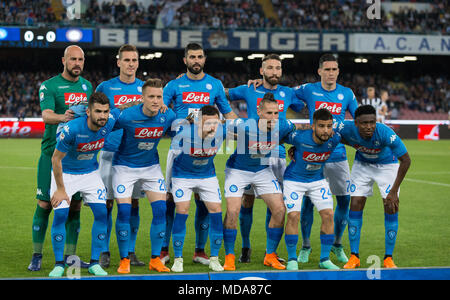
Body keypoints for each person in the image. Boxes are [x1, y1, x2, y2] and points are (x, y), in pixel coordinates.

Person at [161, 42, 237, 266]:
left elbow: (229, 113)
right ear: (185, 60)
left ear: (204, 59)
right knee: (170, 201)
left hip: (205, 151)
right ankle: (165, 249)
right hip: (178, 150)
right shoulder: (174, 85)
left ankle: (200, 251)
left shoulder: (214, 85)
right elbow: (163, 113)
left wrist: (248, 130)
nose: (196, 60)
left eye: (200, 57)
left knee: (205, 203)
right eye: (192, 57)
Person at [226, 53, 305, 263]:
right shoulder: (249, 89)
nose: (274, 72)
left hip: (276, 152)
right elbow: (221, 94)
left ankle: (272, 251)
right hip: (250, 152)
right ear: (261, 71)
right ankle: (245, 246)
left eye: (278, 68)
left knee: (277, 204)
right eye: (270, 68)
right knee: (247, 202)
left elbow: (305, 104)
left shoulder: (288, 92)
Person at [29, 45, 93, 271]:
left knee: (75, 206)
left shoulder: (87, 86)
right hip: (51, 152)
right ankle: (37, 254)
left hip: (76, 156)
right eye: (73, 59)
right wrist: (62, 117)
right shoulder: (49, 85)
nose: (77, 63)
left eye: (81, 60)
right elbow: (46, 115)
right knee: (45, 203)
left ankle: (70, 257)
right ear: (63, 60)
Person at [293, 53, 358, 264]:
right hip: (312, 154)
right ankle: (305, 246)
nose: (331, 73)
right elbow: (284, 94)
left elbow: (359, 119)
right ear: (319, 71)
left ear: (338, 71)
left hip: (337, 154)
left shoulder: (347, 94)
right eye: (327, 69)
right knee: (308, 202)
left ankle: (337, 245)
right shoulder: (308, 89)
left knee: (344, 200)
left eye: (334, 69)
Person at [222, 92, 297, 271]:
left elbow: (297, 133)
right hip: (237, 171)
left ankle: (270, 255)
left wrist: (295, 148)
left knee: (279, 209)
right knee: (233, 211)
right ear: (259, 112)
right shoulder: (245, 126)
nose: (273, 117)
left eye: (276, 113)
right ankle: (229, 256)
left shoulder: (284, 125)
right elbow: (216, 129)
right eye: (269, 113)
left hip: (262, 169)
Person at [48, 92, 119, 277]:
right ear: (88, 112)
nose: (102, 116)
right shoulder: (72, 129)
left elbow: (127, 109)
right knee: (61, 215)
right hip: (66, 175)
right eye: (98, 111)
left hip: (90, 173)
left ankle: (95, 262)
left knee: (102, 214)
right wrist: (61, 189)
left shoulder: (109, 122)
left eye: (105, 111)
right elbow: (56, 159)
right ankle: (58, 264)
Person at [112, 78, 175, 273]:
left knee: (160, 210)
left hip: (150, 167)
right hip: (124, 166)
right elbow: (103, 125)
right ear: (142, 98)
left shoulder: (168, 115)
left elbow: (187, 125)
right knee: (123, 211)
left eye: (159, 97)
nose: (156, 101)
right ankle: (124, 260)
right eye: (151, 97)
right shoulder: (126, 116)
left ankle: (155, 259)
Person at [336, 105, 411, 269]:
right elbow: (327, 132)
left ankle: (388, 258)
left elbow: (406, 160)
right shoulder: (345, 128)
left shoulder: (385, 133)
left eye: (372, 122)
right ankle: (354, 256)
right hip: (362, 165)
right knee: (355, 203)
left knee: (391, 206)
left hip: (387, 166)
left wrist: (394, 191)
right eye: (364, 123)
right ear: (356, 123)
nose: (369, 126)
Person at [95, 44, 146, 268]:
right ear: (119, 62)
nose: (131, 64)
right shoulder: (106, 87)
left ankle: (130, 250)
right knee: (106, 203)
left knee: (133, 203)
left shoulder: (145, 88)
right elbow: (96, 118)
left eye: (134, 60)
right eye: (126, 60)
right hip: (109, 153)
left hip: (135, 156)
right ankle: (104, 251)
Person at [169, 105, 227, 273]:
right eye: (207, 123)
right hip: (182, 176)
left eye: (215, 123)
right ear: (197, 122)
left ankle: (214, 258)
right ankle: (178, 258)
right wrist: (168, 186)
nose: (212, 127)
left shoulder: (222, 131)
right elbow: (171, 157)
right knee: (182, 209)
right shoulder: (184, 134)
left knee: (216, 210)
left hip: (207, 175)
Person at [283, 108, 342, 270]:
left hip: (317, 180)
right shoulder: (299, 137)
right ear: (313, 126)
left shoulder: (335, 139)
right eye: (321, 126)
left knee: (329, 214)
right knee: (293, 216)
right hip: (294, 180)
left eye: (329, 126)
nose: (326, 130)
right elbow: (280, 136)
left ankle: (324, 259)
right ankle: (292, 259)